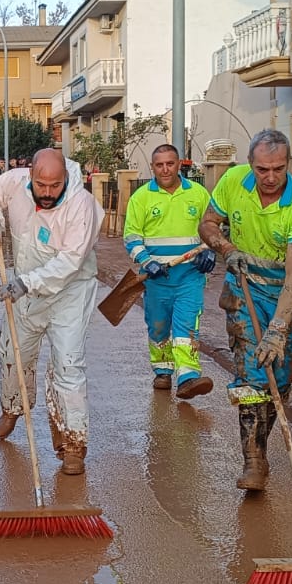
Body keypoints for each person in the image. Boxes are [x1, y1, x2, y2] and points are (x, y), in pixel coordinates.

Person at [198, 129, 292, 491]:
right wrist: (226, 248)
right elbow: (207, 223)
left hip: (286, 297)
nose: (269, 177)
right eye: (262, 169)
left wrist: (278, 329)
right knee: (251, 375)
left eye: (278, 169)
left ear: (288, 164)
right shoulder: (234, 181)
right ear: (250, 164)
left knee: (278, 382)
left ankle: (261, 443)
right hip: (243, 289)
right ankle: (253, 460)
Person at [0, 148, 104, 474]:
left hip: (70, 293)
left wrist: (27, 283)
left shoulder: (81, 204)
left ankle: (73, 443)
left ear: (65, 179)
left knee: (68, 365)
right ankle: (13, 407)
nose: (47, 193)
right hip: (25, 289)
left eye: (55, 186)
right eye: (41, 185)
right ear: (30, 175)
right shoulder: (14, 182)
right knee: (12, 353)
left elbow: (70, 262)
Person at [125, 144, 219, 399]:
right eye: (160, 165)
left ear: (179, 164)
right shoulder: (141, 198)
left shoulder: (198, 194)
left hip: (190, 276)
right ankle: (162, 370)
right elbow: (131, 237)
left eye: (170, 163)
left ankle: (188, 376)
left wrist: (210, 251)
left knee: (186, 326)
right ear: (152, 167)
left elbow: (212, 228)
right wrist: (147, 262)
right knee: (158, 327)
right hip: (156, 279)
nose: (165, 169)